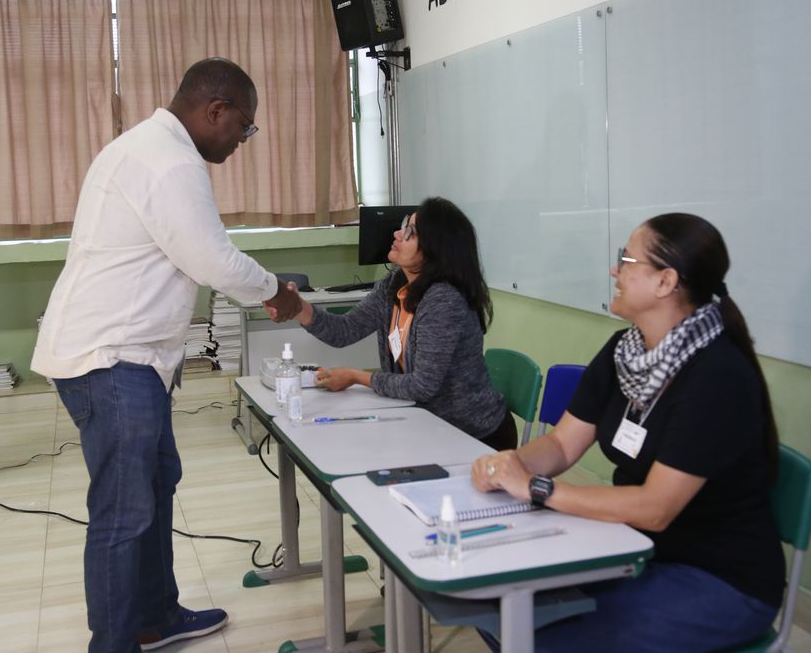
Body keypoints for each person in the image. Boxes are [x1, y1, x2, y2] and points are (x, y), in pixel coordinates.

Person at [32, 57, 301, 653]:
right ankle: (115, 643)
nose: (243, 140)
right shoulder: (171, 162)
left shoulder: (149, 148)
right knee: (123, 514)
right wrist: (277, 293)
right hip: (112, 361)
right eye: (244, 126)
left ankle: (155, 617)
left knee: (156, 486)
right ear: (216, 111)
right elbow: (212, 260)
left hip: (131, 361)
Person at [471, 213, 784, 652]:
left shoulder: (717, 376)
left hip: (719, 579)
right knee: (499, 606)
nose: (614, 270)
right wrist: (509, 464)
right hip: (634, 548)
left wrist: (537, 488)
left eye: (626, 259)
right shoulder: (625, 351)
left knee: (539, 636)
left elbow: (656, 508)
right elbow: (562, 443)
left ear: (665, 281)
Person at [291, 196, 516, 450]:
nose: (397, 234)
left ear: (435, 249)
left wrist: (356, 376)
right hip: (426, 423)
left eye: (410, 232)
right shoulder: (394, 284)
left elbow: (422, 386)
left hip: (473, 435)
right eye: (403, 225)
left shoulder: (443, 299)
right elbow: (345, 331)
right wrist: (298, 307)